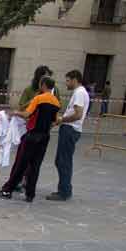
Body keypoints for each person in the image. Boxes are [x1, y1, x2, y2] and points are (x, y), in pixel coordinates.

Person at [0, 76, 60, 202]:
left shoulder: (39, 98)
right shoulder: (56, 102)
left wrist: (15, 113)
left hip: (32, 135)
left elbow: (27, 113)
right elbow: (55, 121)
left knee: (21, 163)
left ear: (43, 85)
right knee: (35, 165)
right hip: (45, 136)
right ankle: (30, 194)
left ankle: (7, 190)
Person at [48, 70, 89, 201]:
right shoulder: (80, 93)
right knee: (62, 160)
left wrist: (62, 120)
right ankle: (64, 189)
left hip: (70, 130)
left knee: (63, 161)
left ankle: (64, 191)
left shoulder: (79, 93)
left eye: (67, 80)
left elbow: (78, 114)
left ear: (74, 79)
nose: (66, 83)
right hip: (69, 129)